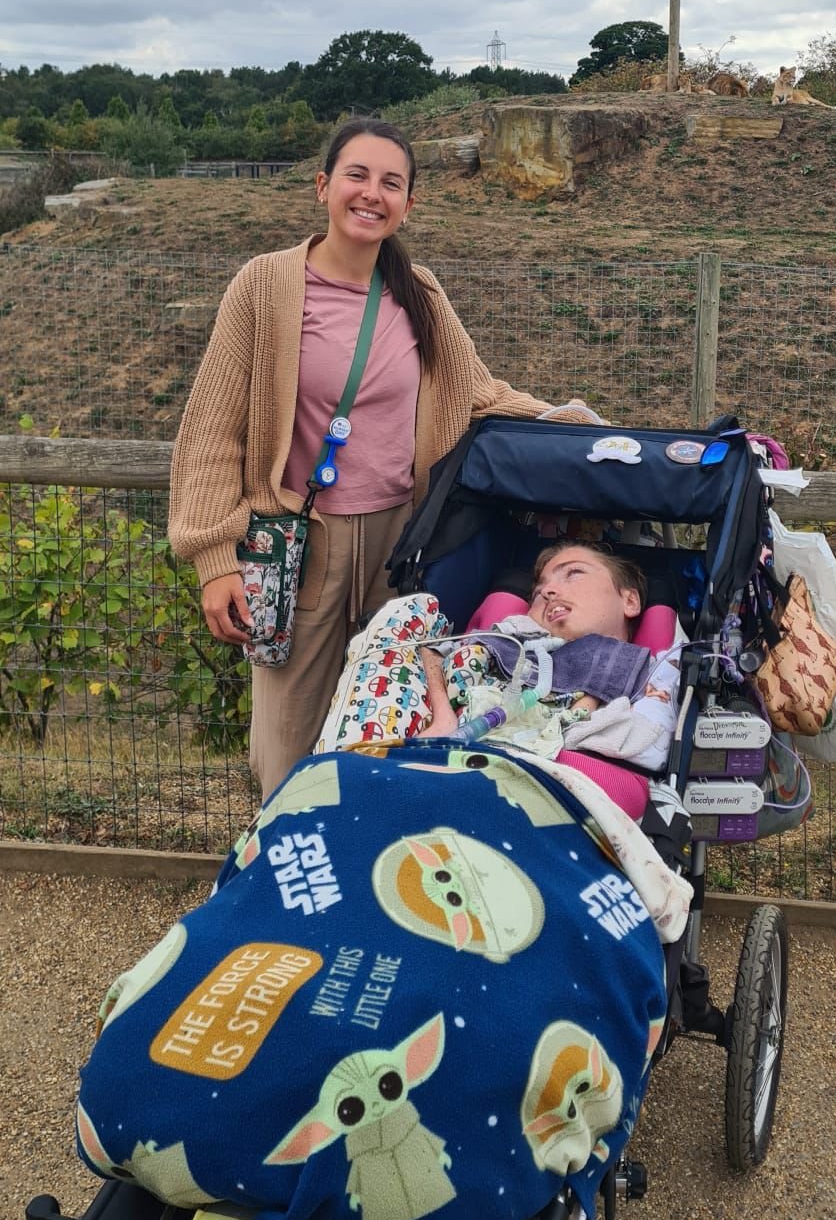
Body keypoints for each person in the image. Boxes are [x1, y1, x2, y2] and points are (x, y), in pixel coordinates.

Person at [168, 117, 558, 801]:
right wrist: (214, 560)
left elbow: (478, 395)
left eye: (391, 183)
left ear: (408, 203)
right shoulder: (263, 287)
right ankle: (289, 885)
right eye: (357, 175)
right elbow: (212, 429)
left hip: (401, 551)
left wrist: (578, 427)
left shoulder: (422, 297)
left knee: (389, 733)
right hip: (299, 546)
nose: (371, 194)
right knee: (284, 750)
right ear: (323, 186)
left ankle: (372, 888)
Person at [418, 543, 684, 816]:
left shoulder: (653, 674)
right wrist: (443, 716)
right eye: (537, 592)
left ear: (630, 601)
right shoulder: (503, 646)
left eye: (574, 573)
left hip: (549, 789)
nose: (547, 591)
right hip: (439, 761)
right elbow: (433, 652)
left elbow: (644, 750)